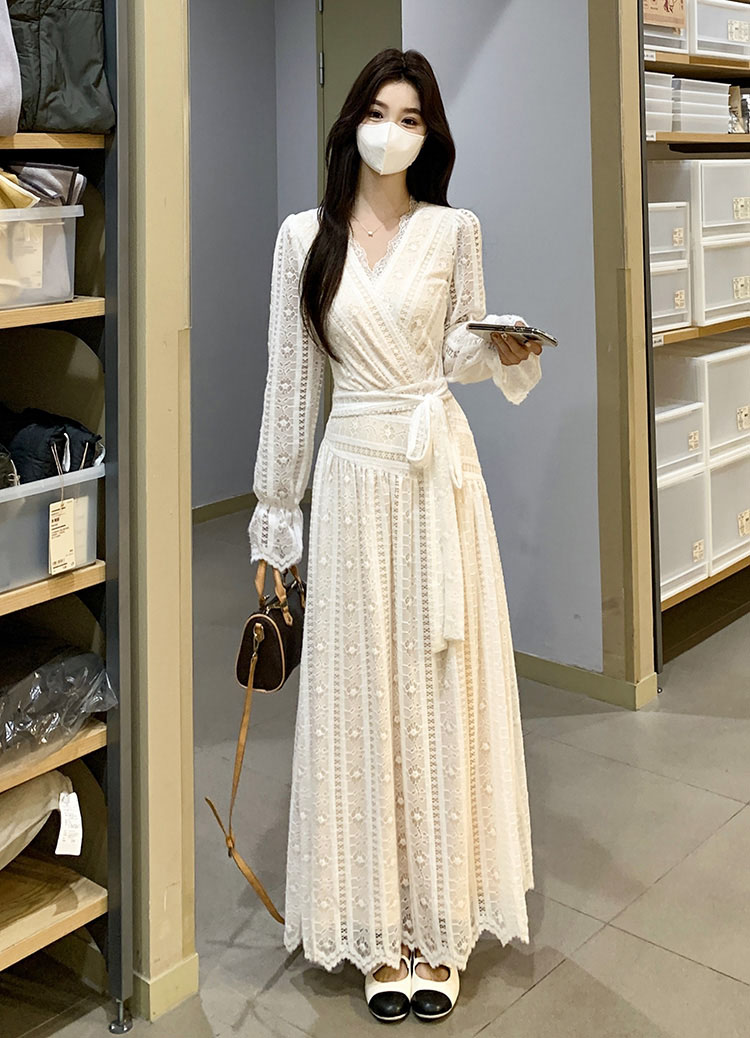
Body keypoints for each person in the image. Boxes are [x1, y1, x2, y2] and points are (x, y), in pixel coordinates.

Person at [248, 47, 548, 1024]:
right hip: (351, 479)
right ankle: (381, 930)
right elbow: (292, 384)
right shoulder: (303, 239)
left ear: (430, 136)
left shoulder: (455, 229)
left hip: (435, 482)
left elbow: (457, 349)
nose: (393, 130)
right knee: (362, 693)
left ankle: (437, 929)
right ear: (352, 124)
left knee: (437, 687)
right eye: (379, 112)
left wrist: (499, 343)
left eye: (412, 118)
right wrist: (275, 519)